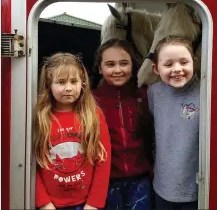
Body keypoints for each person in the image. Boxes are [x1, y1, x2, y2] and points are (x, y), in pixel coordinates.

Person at [34, 52, 111, 210]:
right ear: (48, 84)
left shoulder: (93, 114)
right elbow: (30, 164)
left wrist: (94, 203)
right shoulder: (40, 117)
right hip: (50, 204)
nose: (68, 88)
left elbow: (103, 160)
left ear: (82, 83)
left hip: (85, 204)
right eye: (61, 82)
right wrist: (43, 202)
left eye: (73, 81)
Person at [92, 38, 154, 210]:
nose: (117, 70)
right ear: (100, 68)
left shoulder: (145, 96)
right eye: (110, 64)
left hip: (141, 179)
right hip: (106, 180)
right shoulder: (91, 100)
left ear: (133, 66)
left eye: (124, 63)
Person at [148, 35, 200, 210]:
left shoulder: (206, 92)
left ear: (194, 62)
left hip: (196, 189)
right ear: (156, 69)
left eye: (184, 62)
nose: (177, 69)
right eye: (168, 64)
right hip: (162, 187)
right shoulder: (153, 93)